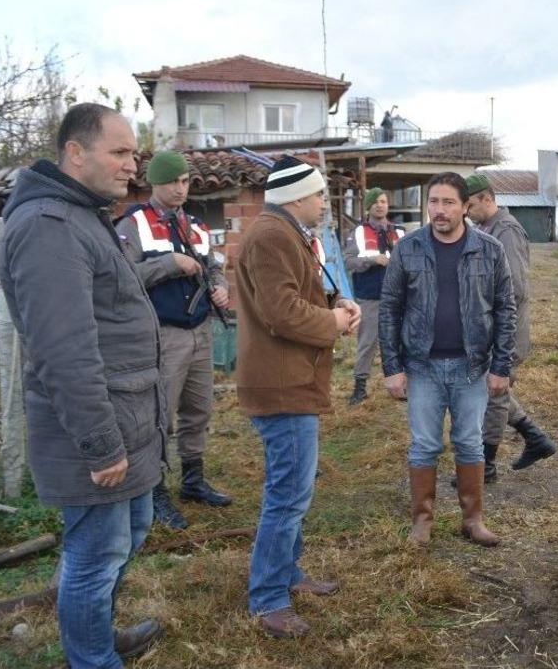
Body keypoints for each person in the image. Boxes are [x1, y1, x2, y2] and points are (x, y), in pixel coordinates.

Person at [0, 103, 165, 668]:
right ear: (75, 152)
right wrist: (99, 443)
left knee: (129, 533)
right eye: (119, 152)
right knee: (96, 554)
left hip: (128, 415)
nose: (131, 165)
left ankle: (95, 633)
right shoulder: (49, 226)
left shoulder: (81, 215)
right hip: (97, 428)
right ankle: (92, 658)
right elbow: (63, 350)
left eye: (134, 154)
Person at [235, 155, 361, 638]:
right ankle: (268, 599)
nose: (324, 204)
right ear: (297, 197)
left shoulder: (285, 234)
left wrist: (337, 305)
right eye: (319, 196)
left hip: (292, 381)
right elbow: (280, 311)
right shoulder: (271, 236)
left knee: (293, 491)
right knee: (287, 496)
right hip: (282, 384)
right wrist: (331, 322)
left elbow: (299, 295)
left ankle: (286, 575)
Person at [379, 171, 516, 548]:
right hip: (421, 367)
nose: (439, 211)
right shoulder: (408, 248)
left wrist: (502, 366)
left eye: (448, 202)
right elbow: (390, 309)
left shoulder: (489, 250)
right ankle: (422, 521)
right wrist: (392, 367)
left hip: (471, 367)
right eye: (434, 202)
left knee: (470, 444)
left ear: (465, 206)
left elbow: (506, 309)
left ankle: (473, 520)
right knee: (424, 445)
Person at [118, 150, 233, 530]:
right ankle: (155, 491)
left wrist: (220, 287)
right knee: (159, 416)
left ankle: (193, 480)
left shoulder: (195, 226)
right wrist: (170, 264)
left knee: (198, 410)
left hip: (200, 330)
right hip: (161, 334)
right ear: (155, 183)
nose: (180, 188)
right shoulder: (132, 224)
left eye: (184, 181)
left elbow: (214, 266)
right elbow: (121, 277)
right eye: (172, 182)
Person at [464, 173, 557, 482]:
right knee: (492, 390)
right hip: (489, 328)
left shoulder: (507, 232)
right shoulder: (484, 228)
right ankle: (535, 438)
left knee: (493, 395)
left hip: (506, 330)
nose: (466, 211)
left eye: (470, 204)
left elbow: (514, 288)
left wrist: (496, 326)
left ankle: (485, 465)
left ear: (487, 199)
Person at [344, 187, 404, 405]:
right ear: (368, 207)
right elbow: (349, 262)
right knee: (367, 342)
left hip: (398, 297)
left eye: (384, 201)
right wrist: (372, 260)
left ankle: (400, 385)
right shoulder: (358, 232)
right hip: (370, 297)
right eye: (376, 202)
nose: (380, 205)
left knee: (400, 341)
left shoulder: (399, 232)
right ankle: (360, 388)